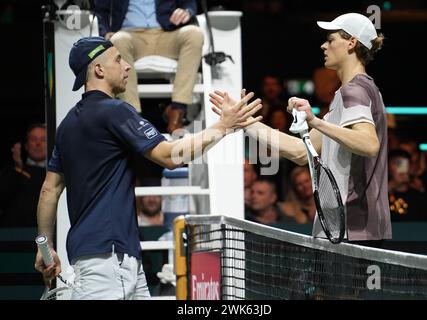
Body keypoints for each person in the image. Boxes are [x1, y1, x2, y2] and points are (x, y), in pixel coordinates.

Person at [34, 37, 261, 300]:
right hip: (110, 262)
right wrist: (222, 126)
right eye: (118, 59)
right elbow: (169, 156)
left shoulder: (67, 125)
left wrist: (44, 245)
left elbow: (49, 190)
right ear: (99, 70)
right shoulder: (115, 111)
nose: (127, 66)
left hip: (107, 260)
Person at [211, 13, 390, 247]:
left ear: (351, 42)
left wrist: (315, 121)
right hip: (346, 228)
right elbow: (298, 151)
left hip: (355, 228)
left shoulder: (354, 91)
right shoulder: (347, 94)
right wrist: (245, 121)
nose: (323, 45)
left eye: (331, 39)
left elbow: (369, 144)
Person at [95, 0, 204, 133]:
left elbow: (188, 3)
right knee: (117, 40)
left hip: (166, 33)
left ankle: (177, 111)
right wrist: (105, 32)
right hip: (130, 36)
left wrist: (186, 11)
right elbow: (101, 10)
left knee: (194, 34)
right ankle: (133, 119)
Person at [0, 123, 47, 227]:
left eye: (43, 140)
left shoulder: (57, 173)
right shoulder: (12, 170)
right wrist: (18, 168)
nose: (38, 143)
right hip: (15, 236)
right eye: (34, 139)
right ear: (26, 145)